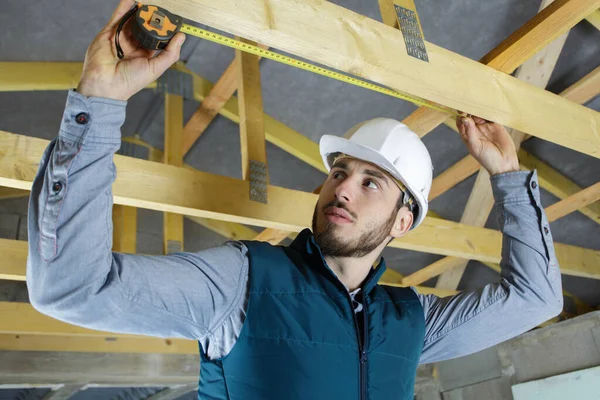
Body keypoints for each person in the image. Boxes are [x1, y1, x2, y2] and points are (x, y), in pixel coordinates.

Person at [26, 1, 562, 399]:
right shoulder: (242, 281)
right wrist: (97, 105)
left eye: (371, 182)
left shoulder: (411, 322)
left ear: (404, 222)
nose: (343, 187)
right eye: (340, 171)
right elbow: (71, 288)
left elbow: (537, 300)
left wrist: (509, 177)